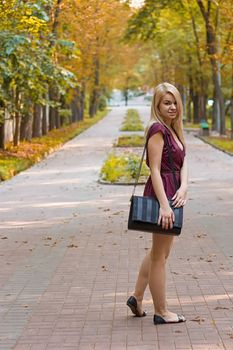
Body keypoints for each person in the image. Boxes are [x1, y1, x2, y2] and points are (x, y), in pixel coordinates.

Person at [126, 82, 188, 325]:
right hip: (163, 193)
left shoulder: (174, 128)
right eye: (167, 103)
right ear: (157, 105)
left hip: (174, 191)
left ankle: (137, 297)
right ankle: (161, 312)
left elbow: (184, 161)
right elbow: (153, 170)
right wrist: (164, 205)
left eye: (174, 102)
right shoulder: (157, 130)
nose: (172, 107)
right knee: (160, 256)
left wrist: (184, 186)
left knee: (159, 252)